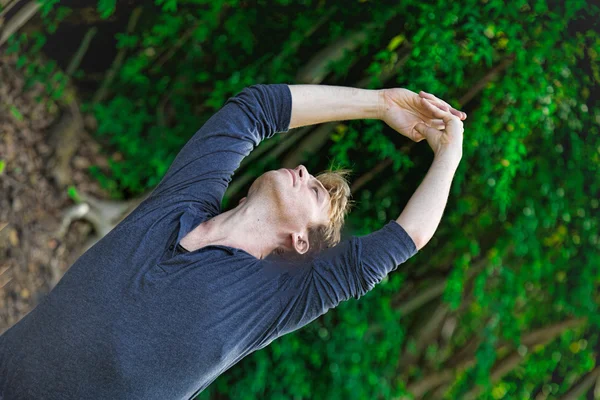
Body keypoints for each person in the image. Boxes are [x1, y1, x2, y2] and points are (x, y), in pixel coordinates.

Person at [0, 83, 465, 399]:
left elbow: (409, 237)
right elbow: (254, 109)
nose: (304, 171)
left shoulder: (278, 295)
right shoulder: (182, 201)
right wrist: (381, 102)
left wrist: (449, 153)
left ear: (303, 244)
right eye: (313, 175)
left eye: (316, 190)